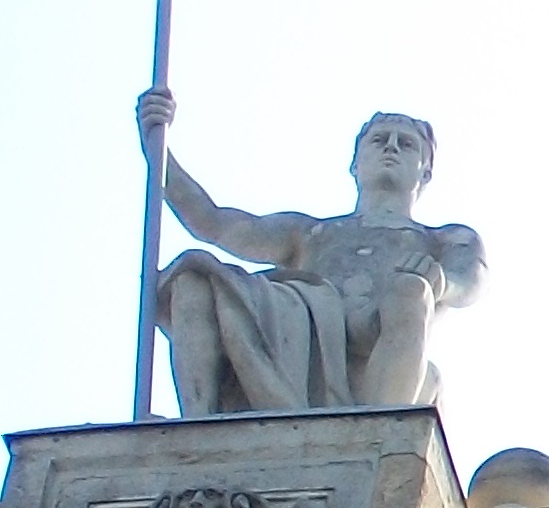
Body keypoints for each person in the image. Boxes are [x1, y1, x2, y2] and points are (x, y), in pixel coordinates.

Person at [136, 93, 486, 415]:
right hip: (306, 350)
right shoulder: (310, 233)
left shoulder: (443, 239)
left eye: (406, 144)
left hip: (378, 358)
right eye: (379, 140)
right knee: (193, 279)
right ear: (355, 164)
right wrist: (157, 145)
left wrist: (440, 281)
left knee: (411, 290)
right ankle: (199, 423)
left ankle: (382, 430)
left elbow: (469, 281)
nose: (391, 147)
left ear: (425, 171)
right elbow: (212, 222)